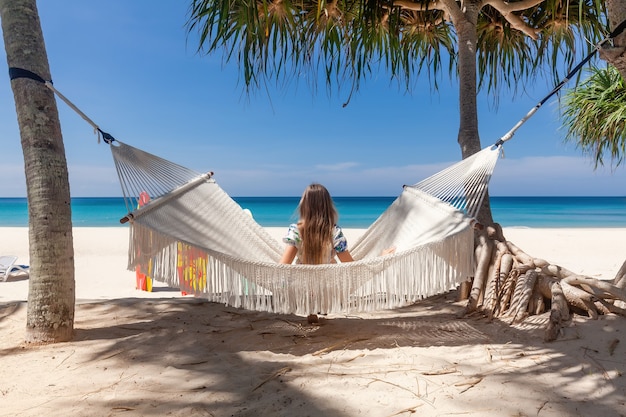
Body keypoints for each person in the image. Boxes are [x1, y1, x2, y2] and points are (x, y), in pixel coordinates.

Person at [279, 183, 353, 323]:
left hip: (301, 289)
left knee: (300, 271)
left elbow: (283, 265)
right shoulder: (334, 232)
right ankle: (319, 305)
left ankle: (310, 308)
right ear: (328, 206)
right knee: (330, 263)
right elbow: (351, 265)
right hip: (327, 289)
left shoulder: (296, 231)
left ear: (304, 205)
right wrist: (381, 259)